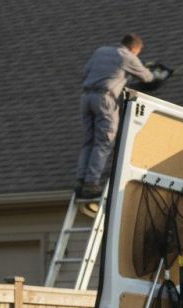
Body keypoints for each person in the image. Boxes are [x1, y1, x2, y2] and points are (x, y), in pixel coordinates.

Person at [75, 33, 153, 200]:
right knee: (104, 141)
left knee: (89, 141)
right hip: (104, 98)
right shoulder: (128, 57)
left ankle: (80, 181)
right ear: (134, 49)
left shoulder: (101, 51)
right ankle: (91, 183)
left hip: (86, 97)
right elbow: (147, 77)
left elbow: (86, 72)